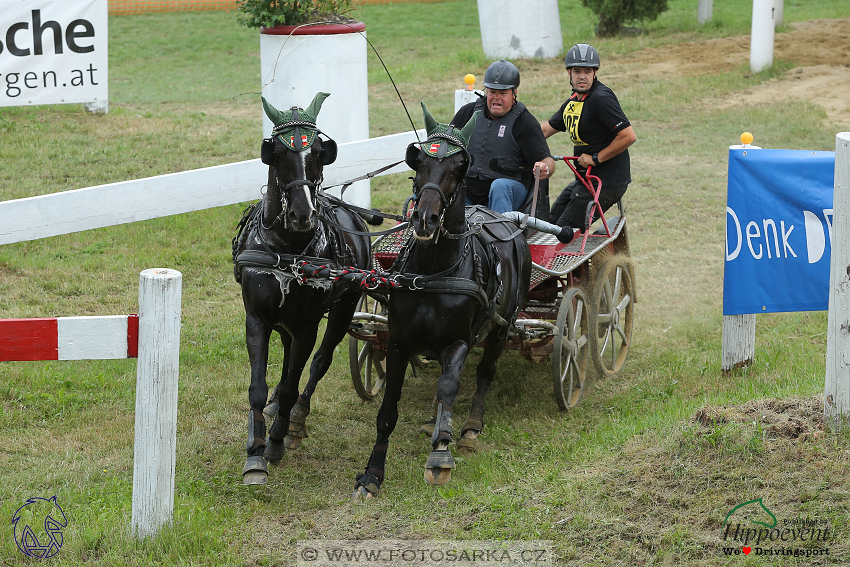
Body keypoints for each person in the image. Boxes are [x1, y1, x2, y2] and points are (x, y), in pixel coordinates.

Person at [542, 43, 636, 237]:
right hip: (585, 180)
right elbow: (544, 130)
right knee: (547, 226)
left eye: (587, 71)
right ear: (569, 73)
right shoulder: (574, 102)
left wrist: (596, 158)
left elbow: (628, 136)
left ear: (595, 73)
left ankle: (568, 265)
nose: (582, 76)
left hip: (607, 182)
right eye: (577, 71)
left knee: (562, 233)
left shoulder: (601, 99)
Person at [452, 59, 556, 214]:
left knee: (499, 186)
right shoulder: (467, 113)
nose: (496, 98)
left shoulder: (525, 122)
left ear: (514, 94)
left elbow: (547, 160)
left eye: (503, 93)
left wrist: (545, 168)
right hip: (469, 192)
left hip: (509, 191)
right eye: (492, 92)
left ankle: (500, 236)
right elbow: (446, 143)